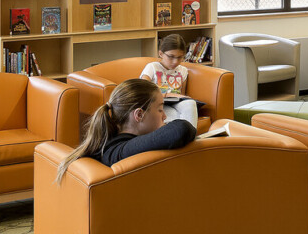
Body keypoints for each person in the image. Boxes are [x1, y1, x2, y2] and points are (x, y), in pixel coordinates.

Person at [55, 78, 195, 179]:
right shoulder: (119, 151)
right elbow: (181, 129)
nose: (164, 116)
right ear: (139, 114)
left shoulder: (107, 143)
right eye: (159, 110)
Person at [139, 34, 200, 126]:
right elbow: (144, 92)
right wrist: (167, 94)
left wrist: (183, 98)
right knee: (174, 115)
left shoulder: (183, 71)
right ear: (161, 54)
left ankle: (190, 136)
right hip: (156, 103)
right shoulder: (152, 67)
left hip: (175, 103)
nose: (175, 61)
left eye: (180, 57)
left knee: (190, 103)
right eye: (171, 57)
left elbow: (181, 95)